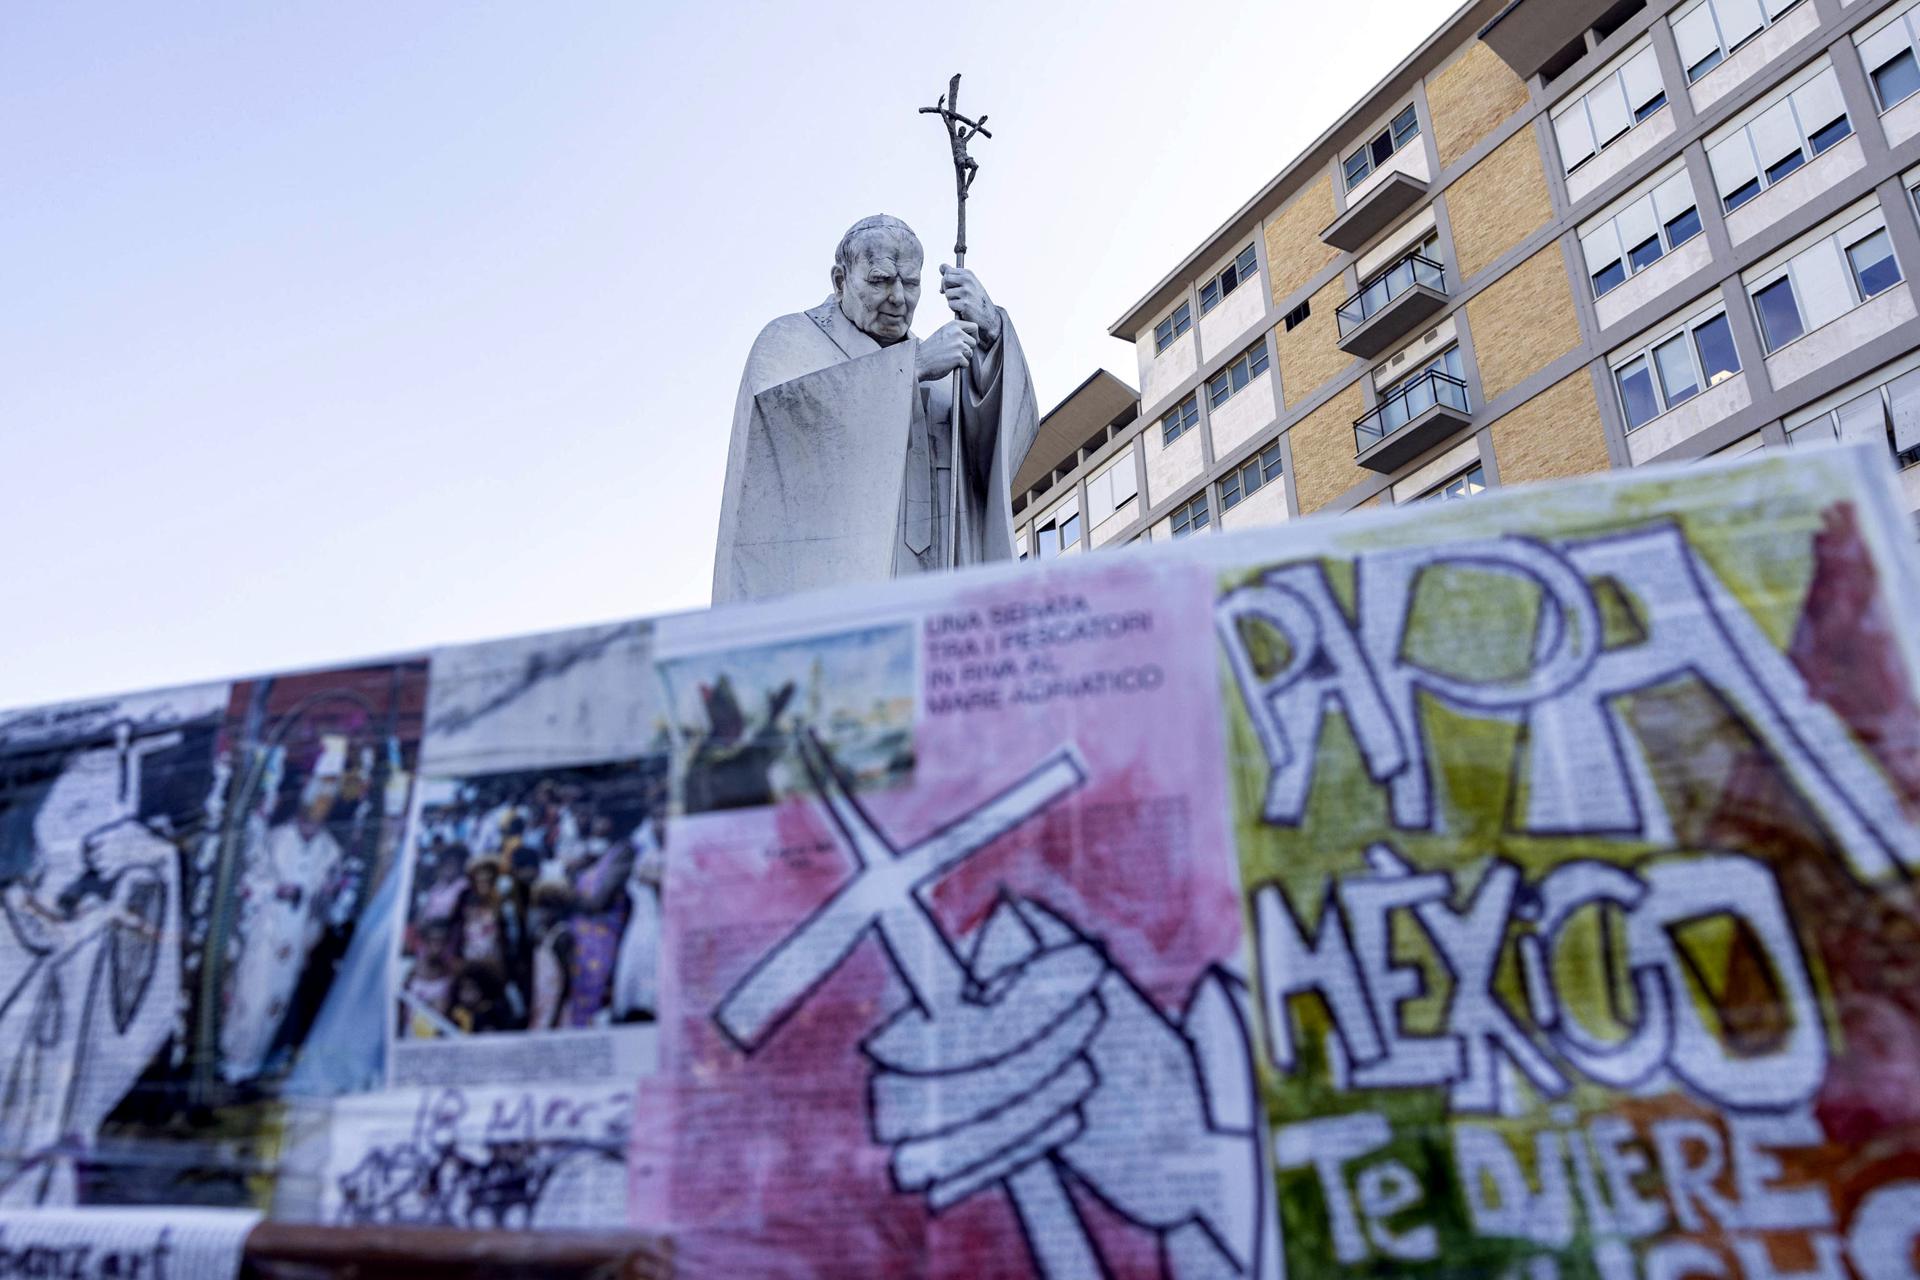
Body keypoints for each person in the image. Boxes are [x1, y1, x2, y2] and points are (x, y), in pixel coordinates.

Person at [712, 214, 1040, 604]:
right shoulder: (790, 341)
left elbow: (996, 448)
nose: (898, 298)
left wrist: (992, 332)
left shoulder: (945, 363)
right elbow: (779, 430)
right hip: (840, 595)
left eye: (911, 283)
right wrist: (910, 369)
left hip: (938, 591)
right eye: (880, 281)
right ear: (840, 281)